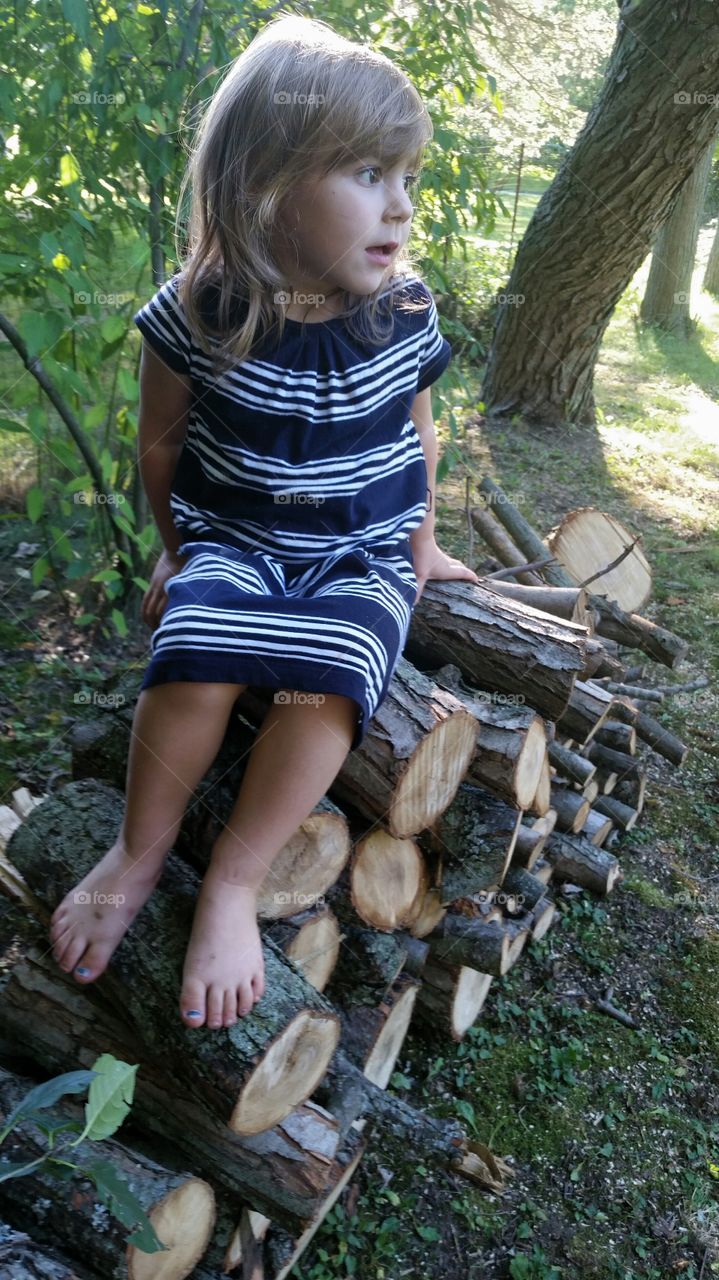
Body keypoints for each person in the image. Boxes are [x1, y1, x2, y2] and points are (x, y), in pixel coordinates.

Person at [50, 12, 479, 1031]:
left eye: (405, 179)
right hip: (235, 544)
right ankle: (139, 847)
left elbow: (421, 438)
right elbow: (160, 444)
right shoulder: (200, 311)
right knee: (194, 651)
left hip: (357, 553)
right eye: (369, 174)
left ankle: (235, 880)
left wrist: (416, 547)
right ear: (263, 184)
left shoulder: (401, 312)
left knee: (325, 683)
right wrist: (176, 546)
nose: (400, 208)